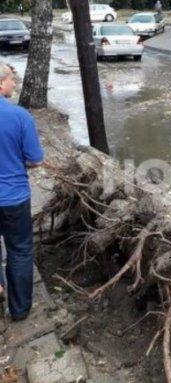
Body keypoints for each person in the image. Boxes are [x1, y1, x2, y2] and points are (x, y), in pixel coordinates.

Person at [0, 62, 44, 321]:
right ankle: (19, 310)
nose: (14, 84)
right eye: (11, 80)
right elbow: (36, 159)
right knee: (19, 250)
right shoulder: (19, 116)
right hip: (13, 197)